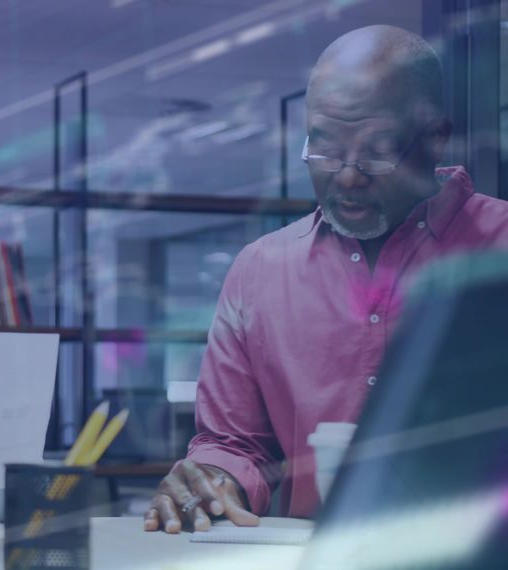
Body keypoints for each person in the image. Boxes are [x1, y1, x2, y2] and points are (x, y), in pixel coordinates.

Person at [144, 25, 508, 534]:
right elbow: (233, 444)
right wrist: (213, 479)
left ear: (435, 139)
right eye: (325, 147)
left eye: (377, 149)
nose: (348, 176)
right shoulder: (259, 271)